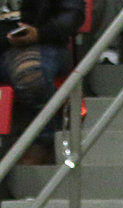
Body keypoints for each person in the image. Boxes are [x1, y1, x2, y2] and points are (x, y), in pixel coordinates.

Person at [0, 0, 84, 164]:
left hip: (43, 43)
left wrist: (41, 33)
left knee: (31, 73)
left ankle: (41, 140)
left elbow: (73, 13)